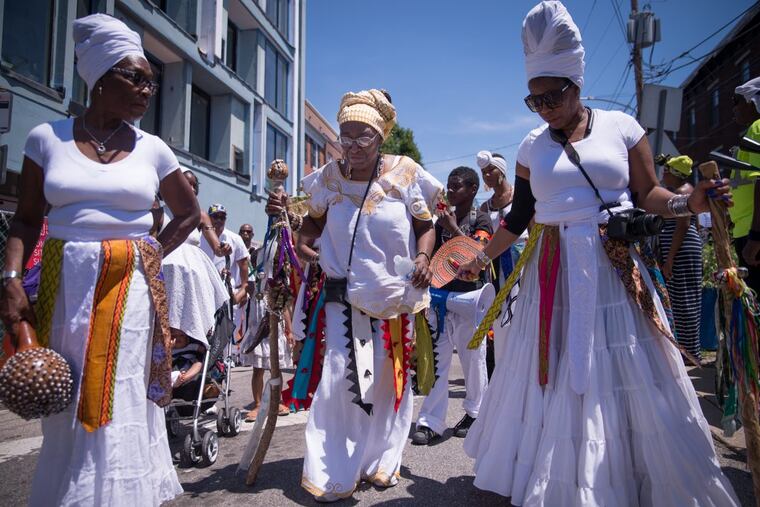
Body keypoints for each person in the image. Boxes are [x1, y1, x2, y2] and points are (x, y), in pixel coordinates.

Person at [457, 2, 739, 505]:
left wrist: (687, 203)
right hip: (552, 272)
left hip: (612, 267)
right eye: (534, 100)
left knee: (623, 368)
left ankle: (621, 474)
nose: (544, 108)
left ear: (576, 84)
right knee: (556, 368)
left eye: (553, 97)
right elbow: (518, 216)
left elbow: (650, 192)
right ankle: (558, 478)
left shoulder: (622, 128)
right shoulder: (529, 147)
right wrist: (480, 257)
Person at [0, 14, 198, 506]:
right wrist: (9, 278)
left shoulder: (153, 150)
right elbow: (25, 219)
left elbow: (188, 214)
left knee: (121, 387)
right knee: (70, 389)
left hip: (127, 287)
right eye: (136, 77)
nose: (147, 90)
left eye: (152, 82)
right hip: (63, 285)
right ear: (101, 77)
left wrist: (146, 254)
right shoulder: (47, 138)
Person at [266, 88, 442, 502]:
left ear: (381, 136)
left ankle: (379, 461)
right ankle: (333, 471)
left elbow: (426, 226)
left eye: (363, 136)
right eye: (346, 136)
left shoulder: (406, 173)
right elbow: (308, 231)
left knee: (385, 384)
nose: (353, 146)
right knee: (340, 383)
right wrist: (310, 252)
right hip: (341, 298)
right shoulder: (327, 178)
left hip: (394, 300)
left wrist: (422, 257)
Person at [411, 166, 492, 445]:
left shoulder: (481, 219)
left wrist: (453, 229)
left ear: (473, 190)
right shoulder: (439, 221)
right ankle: (430, 421)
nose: (450, 191)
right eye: (449, 186)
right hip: (440, 302)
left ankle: (476, 414)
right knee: (437, 362)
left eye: (457, 186)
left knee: (473, 362)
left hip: (470, 302)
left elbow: (480, 254)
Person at [477, 150, 528, 374]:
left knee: (524, 310)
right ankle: (503, 370)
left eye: (491, 170)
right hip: (496, 265)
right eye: (483, 172)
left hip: (523, 259)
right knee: (500, 315)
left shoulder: (521, 197)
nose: (487, 175)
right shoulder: (485, 208)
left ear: (502, 170)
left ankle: (524, 365)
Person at [657, 155, 703, 361]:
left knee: (684, 299)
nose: (663, 175)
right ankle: (687, 349)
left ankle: (689, 351)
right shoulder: (683, 191)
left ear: (675, 174)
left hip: (681, 250)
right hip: (681, 249)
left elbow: (682, 226)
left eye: (666, 171)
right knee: (680, 298)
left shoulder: (682, 192)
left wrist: (670, 258)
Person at [732, 76, 760, 290]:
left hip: (754, 233)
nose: (734, 108)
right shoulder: (751, 132)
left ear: (752, 101)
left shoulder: (758, 128)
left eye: (737, 101)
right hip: (746, 230)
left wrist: (756, 236)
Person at [200, 204, 249, 306]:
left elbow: (244, 268)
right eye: (215, 216)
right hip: (202, 290)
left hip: (227, 293)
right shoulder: (199, 237)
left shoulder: (235, 239)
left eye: (222, 217)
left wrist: (241, 294)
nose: (219, 220)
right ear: (208, 218)